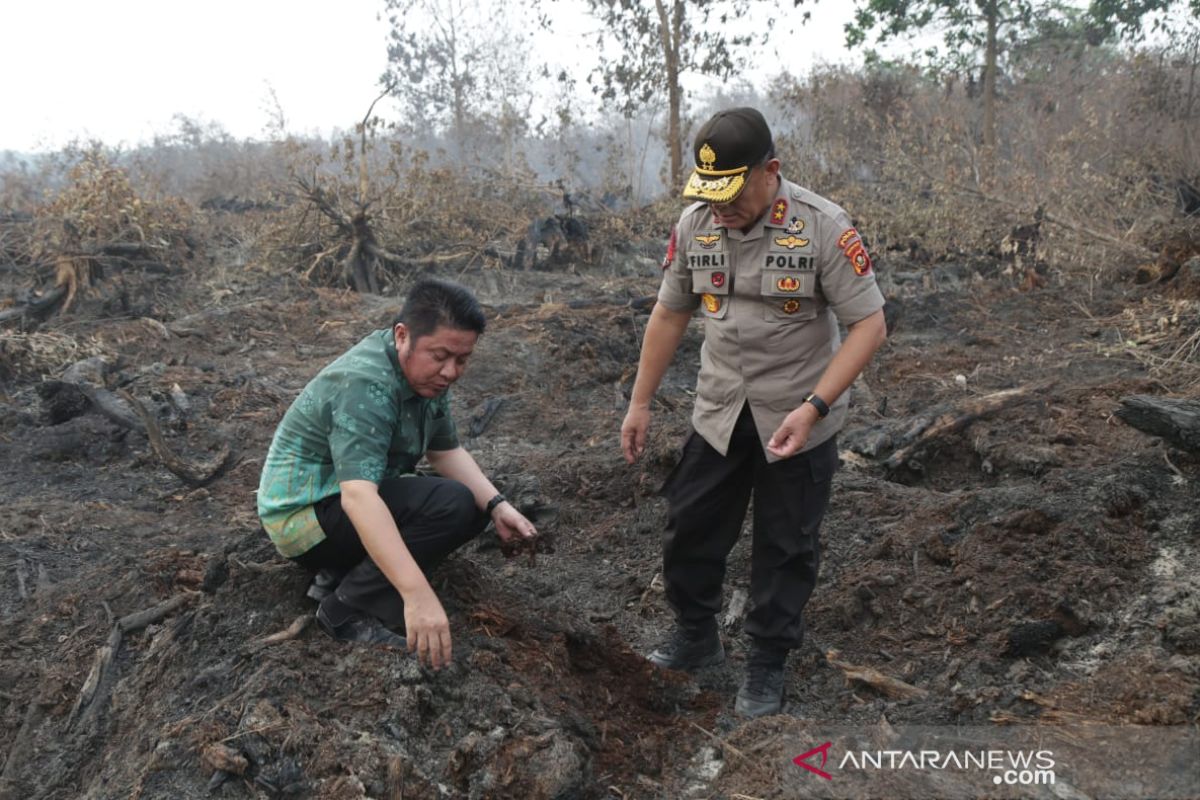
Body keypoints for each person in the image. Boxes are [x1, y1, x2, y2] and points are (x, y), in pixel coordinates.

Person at [621, 107, 887, 717]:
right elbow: (669, 314)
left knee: (786, 545)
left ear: (771, 171)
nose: (721, 207)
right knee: (688, 527)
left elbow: (868, 322)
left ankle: (766, 663)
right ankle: (695, 635)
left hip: (798, 415)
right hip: (718, 410)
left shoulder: (823, 226)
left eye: (733, 191)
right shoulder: (696, 226)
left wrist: (817, 406)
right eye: (709, 194)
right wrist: (639, 404)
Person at [257, 278, 537, 669]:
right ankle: (345, 608)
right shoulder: (365, 384)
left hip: (337, 504)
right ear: (402, 336)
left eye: (463, 359)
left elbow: (445, 451)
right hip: (303, 520)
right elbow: (359, 497)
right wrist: (418, 596)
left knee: (470, 502)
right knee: (451, 503)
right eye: (440, 356)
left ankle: (341, 573)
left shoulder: (424, 377)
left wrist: (497, 504)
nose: (451, 371)